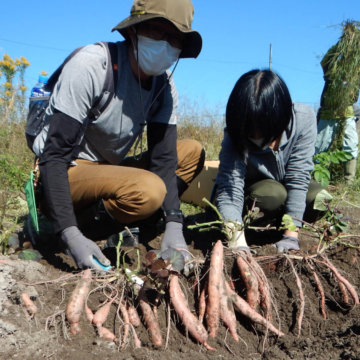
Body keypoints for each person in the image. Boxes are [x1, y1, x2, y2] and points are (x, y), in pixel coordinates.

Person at [33, 0, 204, 271]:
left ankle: (141, 222)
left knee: (191, 152)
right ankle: (67, 226)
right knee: (149, 190)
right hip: (68, 170)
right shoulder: (93, 66)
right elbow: (54, 157)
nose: (166, 44)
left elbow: (164, 160)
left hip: (110, 170)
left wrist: (174, 224)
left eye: (175, 39)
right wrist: (70, 234)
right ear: (134, 31)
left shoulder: (164, 87)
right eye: (159, 32)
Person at [214, 69, 323, 253]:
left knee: (318, 196)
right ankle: (251, 227)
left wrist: (291, 235)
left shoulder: (303, 119)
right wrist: (237, 242)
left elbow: (298, 177)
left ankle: (284, 224)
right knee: (273, 194)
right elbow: (230, 187)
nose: (256, 136)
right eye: (251, 130)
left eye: (262, 129)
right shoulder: (236, 130)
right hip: (255, 196)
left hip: (286, 189)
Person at [315, 21, 360, 184]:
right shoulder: (332, 66)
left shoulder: (356, 67)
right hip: (329, 111)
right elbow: (325, 60)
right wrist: (341, 43)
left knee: (351, 144)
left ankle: (349, 181)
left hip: (347, 111)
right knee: (320, 145)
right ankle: (314, 176)